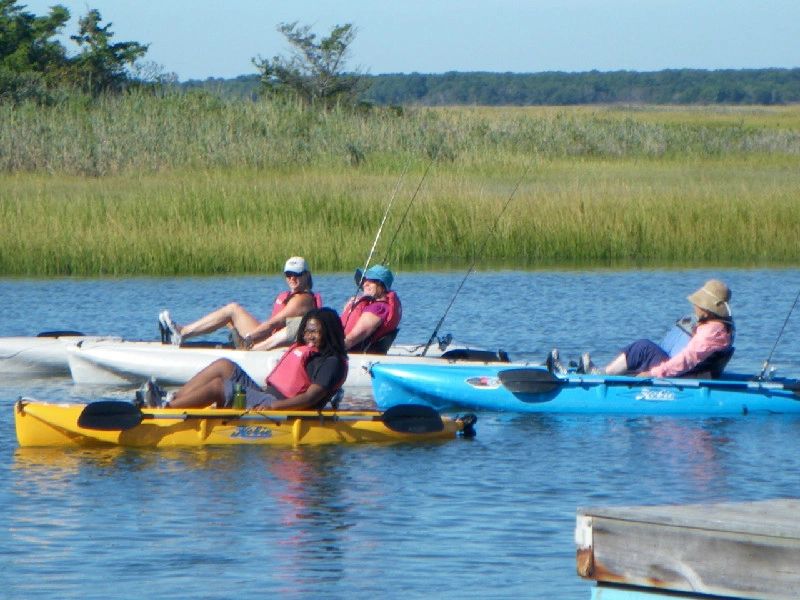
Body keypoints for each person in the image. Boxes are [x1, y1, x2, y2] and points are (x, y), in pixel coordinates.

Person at [142, 307, 348, 410]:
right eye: (306, 332)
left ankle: (167, 409)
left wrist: (273, 407)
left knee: (220, 386)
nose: (308, 336)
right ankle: (172, 398)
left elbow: (310, 398)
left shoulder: (331, 362)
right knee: (224, 366)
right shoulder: (311, 352)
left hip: (281, 405)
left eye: (315, 332)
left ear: (328, 333)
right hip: (267, 395)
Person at [575, 279, 735, 379]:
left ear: (708, 309)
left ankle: (602, 375)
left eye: (698, 303)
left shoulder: (711, 332)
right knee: (643, 348)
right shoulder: (716, 326)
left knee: (643, 348)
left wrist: (653, 373)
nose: (694, 306)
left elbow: (687, 359)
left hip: (689, 375)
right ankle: (606, 372)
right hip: (693, 371)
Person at [159, 257, 322, 350]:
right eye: (288, 274)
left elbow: (274, 323)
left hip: (273, 344)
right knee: (232, 311)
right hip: (268, 337)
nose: (292, 278)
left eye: (297, 274)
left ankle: (183, 333)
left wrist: (249, 338)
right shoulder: (290, 295)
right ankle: (182, 334)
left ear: (306, 275)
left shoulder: (303, 300)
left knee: (232, 310)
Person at [340, 264, 402, 353]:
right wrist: (349, 309)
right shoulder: (374, 305)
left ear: (382, 286)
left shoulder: (378, 309)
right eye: (365, 280)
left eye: (371, 281)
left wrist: (328, 351)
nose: (365, 283)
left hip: (354, 354)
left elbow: (351, 339)